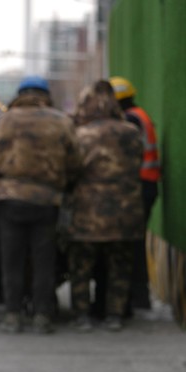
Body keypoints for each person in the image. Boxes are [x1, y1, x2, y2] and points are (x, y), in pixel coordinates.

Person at [0, 75, 82, 334]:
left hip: (9, 199)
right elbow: (75, 160)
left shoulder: (2, 120)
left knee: (11, 260)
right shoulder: (61, 121)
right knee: (44, 260)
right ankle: (42, 316)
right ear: (46, 95)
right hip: (47, 200)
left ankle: (13, 315)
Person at [66, 80, 144, 332]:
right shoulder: (131, 132)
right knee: (120, 267)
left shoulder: (81, 135)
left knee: (81, 267)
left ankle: (82, 315)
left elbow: (71, 171)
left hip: (88, 213)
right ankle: (115, 316)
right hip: (126, 211)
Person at [110, 76, 161, 313]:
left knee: (133, 242)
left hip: (139, 185)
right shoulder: (140, 115)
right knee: (135, 241)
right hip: (146, 184)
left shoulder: (130, 120)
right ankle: (138, 297)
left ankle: (138, 298)